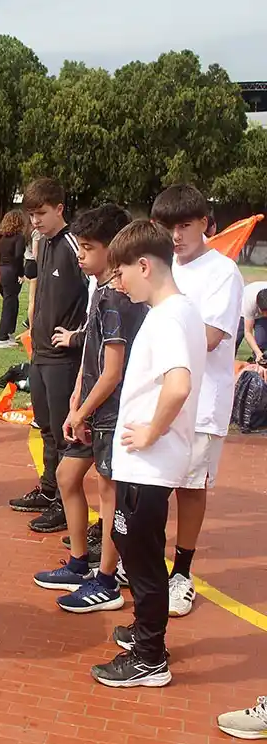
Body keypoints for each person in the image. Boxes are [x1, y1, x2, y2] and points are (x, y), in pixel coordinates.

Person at [90, 219, 206, 689]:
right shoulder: (176, 312)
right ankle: (144, 633)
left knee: (141, 561)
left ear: (144, 265)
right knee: (140, 553)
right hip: (147, 463)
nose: (119, 283)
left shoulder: (168, 316)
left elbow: (178, 386)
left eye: (122, 273)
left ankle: (149, 657)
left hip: (150, 465)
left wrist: (152, 432)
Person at [32, 204, 144, 613]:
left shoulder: (118, 298)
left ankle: (106, 579)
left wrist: (83, 411)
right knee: (67, 474)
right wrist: (76, 398)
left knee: (109, 492)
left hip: (113, 412)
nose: (79, 255)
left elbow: (113, 370)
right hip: (93, 406)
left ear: (112, 250)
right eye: (78, 246)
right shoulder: (100, 290)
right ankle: (80, 563)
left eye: (87, 247)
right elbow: (93, 357)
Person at [152, 184, 245, 619]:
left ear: (205, 224)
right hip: (156, 398)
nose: (176, 235)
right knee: (150, 484)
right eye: (168, 226)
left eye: (185, 225)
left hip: (202, 403)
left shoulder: (222, 273)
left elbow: (208, 338)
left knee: (189, 488)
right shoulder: (159, 266)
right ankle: (145, 566)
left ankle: (182, 574)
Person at [8, 179, 89, 534]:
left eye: (41, 213)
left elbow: (101, 293)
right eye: (31, 215)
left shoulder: (74, 244)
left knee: (62, 430)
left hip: (63, 357)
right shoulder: (43, 243)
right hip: (40, 352)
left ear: (59, 207)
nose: (35, 221)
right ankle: (48, 488)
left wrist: (79, 337)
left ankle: (63, 503)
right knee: (44, 427)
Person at [0, 210, 27, 348]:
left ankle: (8, 333)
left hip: (1, 271)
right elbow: (18, 256)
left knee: (11, 302)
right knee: (9, 304)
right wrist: (21, 273)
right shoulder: (19, 238)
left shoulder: (2, 238)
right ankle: (2, 337)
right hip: (11, 272)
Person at [238, 282, 267, 361]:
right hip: (242, 314)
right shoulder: (248, 303)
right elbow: (248, 332)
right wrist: (257, 352)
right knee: (235, 340)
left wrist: (259, 353)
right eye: (264, 313)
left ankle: (259, 365)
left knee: (262, 343)